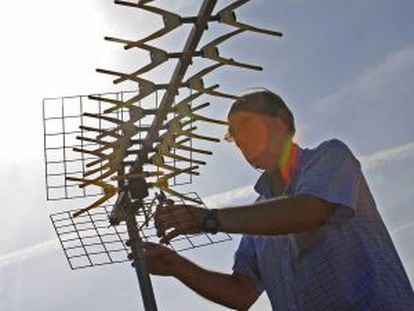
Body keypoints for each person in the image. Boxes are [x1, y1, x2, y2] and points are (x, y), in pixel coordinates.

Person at [131, 88, 414, 310]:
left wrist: (208, 219)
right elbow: (242, 292)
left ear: (281, 120)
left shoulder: (329, 157)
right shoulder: (260, 216)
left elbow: (308, 210)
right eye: (234, 136)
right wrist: (176, 266)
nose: (240, 140)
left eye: (246, 125)